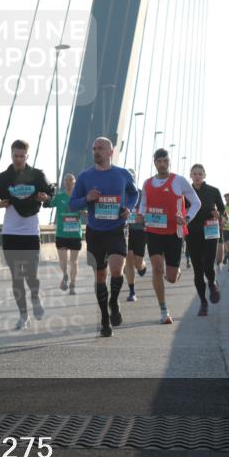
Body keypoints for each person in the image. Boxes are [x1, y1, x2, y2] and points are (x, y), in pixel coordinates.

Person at [68, 137, 139, 337]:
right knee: (100, 276)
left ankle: (114, 302)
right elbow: (73, 204)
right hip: (95, 232)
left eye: (100, 148)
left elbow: (134, 195)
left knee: (117, 270)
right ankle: (105, 319)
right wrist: (87, 198)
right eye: (94, 149)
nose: (96, 152)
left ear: (110, 152)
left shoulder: (122, 174)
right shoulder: (84, 177)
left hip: (116, 229)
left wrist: (129, 209)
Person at [0, 140, 53, 330]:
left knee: (31, 274)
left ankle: (35, 298)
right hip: (11, 232)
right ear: (11, 155)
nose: (18, 159)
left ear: (27, 156)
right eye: (15, 156)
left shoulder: (37, 175)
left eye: (22, 156)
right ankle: (23, 315)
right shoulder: (3, 178)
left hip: (30, 232)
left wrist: (46, 198)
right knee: (16, 277)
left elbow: (51, 193)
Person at [140, 149, 201, 324]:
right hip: (153, 231)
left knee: (171, 277)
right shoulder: (147, 183)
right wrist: (140, 214)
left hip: (174, 233)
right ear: (155, 163)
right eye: (159, 161)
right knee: (157, 268)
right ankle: (164, 310)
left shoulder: (179, 181)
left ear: (169, 162)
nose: (162, 164)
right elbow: (144, 204)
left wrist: (187, 218)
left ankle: (175, 272)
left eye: (165, 161)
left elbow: (196, 202)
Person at [186, 164, 226, 317]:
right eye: (194, 173)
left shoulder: (213, 191)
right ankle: (203, 303)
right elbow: (179, 209)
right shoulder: (185, 192)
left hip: (210, 230)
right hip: (192, 232)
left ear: (204, 175)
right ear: (190, 175)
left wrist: (219, 215)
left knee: (208, 264)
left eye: (200, 173)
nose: (197, 176)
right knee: (197, 268)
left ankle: (213, 283)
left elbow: (223, 210)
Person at [51, 173, 84, 294]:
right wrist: (45, 197)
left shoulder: (79, 198)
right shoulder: (59, 197)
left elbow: (87, 210)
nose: (68, 182)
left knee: (73, 261)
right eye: (66, 180)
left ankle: (73, 285)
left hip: (75, 234)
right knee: (63, 260)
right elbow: (48, 203)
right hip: (61, 234)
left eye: (71, 180)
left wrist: (83, 211)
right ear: (64, 183)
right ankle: (65, 275)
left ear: (74, 183)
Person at [124, 170, 147, 302]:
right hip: (126, 230)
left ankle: (142, 266)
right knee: (129, 259)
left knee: (137, 262)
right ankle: (132, 291)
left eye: (131, 177)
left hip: (139, 230)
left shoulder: (142, 194)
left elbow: (151, 211)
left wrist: (143, 219)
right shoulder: (120, 193)